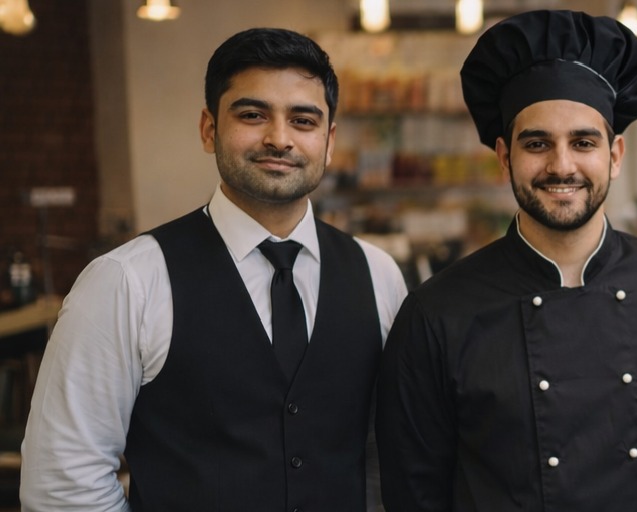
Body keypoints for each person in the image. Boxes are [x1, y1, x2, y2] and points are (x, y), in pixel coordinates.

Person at [20, 28, 409, 511]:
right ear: (209, 129)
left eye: (303, 120)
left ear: (328, 142)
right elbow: (63, 481)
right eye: (252, 114)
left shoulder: (379, 276)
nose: (279, 139)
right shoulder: (126, 281)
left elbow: (384, 458)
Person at [374, 10, 637, 511]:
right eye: (537, 143)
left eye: (583, 142)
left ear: (614, 154)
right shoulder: (436, 314)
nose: (561, 165)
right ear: (504, 157)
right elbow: (415, 493)